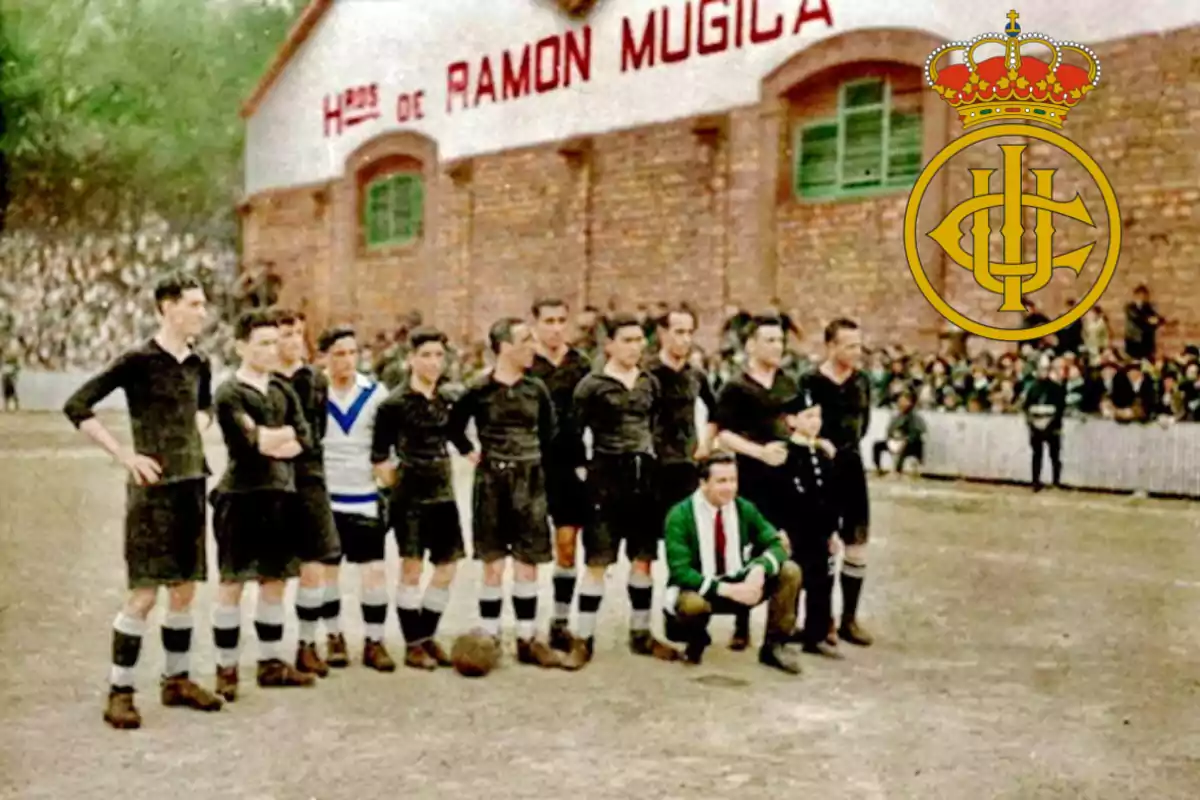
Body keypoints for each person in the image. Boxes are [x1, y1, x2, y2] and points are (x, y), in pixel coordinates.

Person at [63, 273, 224, 729]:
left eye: (203, 304)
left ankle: (176, 681)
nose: (202, 312)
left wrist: (196, 427)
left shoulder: (200, 362)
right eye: (194, 304)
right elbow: (77, 405)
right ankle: (120, 691)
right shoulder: (136, 360)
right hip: (152, 494)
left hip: (192, 484)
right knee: (143, 595)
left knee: (185, 590)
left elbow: (205, 408)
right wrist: (123, 454)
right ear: (167, 308)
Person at [447, 318, 572, 668]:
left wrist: (531, 462)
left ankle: (527, 639)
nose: (532, 346)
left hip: (529, 481)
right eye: (524, 340)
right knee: (492, 564)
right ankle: (489, 638)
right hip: (491, 483)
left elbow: (550, 433)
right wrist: (472, 452)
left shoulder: (537, 390)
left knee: (528, 563)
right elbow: (454, 427)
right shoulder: (480, 389)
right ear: (504, 347)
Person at [209, 310, 317, 701]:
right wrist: (275, 440)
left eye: (276, 342)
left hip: (280, 496)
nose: (273, 350)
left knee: (274, 582)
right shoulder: (229, 392)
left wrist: (275, 437)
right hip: (240, 497)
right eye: (263, 344)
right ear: (241, 347)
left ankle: (271, 663)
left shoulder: (283, 391)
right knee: (233, 583)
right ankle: (226, 668)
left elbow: (304, 440)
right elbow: (249, 445)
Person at [569, 313, 680, 664]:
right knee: (598, 561)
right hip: (606, 478)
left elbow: (659, 426)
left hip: (644, 478)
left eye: (639, 340)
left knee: (644, 561)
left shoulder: (650, 383)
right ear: (610, 345)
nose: (636, 347)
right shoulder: (591, 385)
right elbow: (571, 435)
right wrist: (586, 472)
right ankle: (582, 639)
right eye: (628, 340)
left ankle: (641, 633)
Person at [372, 327, 467, 670]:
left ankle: (426, 635)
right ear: (410, 359)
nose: (432, 362)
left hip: (443, 494)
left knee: (447, 568)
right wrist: (401, 485)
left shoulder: (447, 400)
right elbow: (380, 458)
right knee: (411, 569)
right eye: (425, 355)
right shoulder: (393, 405)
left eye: (438, 356)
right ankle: (413, 645)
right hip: (410, 498)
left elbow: (460, 439)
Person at [662, 453, 802, 673]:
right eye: (721, 481)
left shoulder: (744, 508)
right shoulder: (679, 515)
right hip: (702, 589)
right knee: (692, 605)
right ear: (703, 483)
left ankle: (775, 646)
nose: (729, 488)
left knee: (790, 571)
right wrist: (728, 590)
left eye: (733, 480)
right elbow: (680, 572)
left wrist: (759, 569)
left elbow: (776, 543)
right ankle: (696, 640)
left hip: (741, 582)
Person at [711, 315, 798, 650]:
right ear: (751, 345)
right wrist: (760, 453)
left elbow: (800, 422)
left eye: (780, 341)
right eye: (770, 340)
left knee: (786, 547)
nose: (777, 347)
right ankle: (741, 623)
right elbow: (724, 434)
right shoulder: (736, 386)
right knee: (746, 548)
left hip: (785, 479)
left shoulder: (789, 384)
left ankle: (782, 629)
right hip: (750, 478)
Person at [318, 326, 394, 672]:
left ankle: (374, 641)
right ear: (324, 358)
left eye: (352, 353)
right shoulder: (314, 392)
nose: (347, 360)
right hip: (326, 496)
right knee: (327, 573)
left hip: (364, 495)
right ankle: (334, 636)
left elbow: (388, 445)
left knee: (374, 572)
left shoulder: (376, 394)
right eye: (339, 354)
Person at [274, 310, 343, 677]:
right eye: (286, 333)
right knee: (272, 570)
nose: (294, 340)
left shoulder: (315, 379)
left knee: (315, 564)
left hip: (309, 476)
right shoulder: (263, 379)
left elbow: (318, 431)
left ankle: (306, 643)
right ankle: (269, 654)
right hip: (273, 477)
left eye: (299, 333)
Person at [799, 318, 874, 647]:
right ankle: (822, 620)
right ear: (830, 346)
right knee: (823, 545)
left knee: (857, 543)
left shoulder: (862, 381)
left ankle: (849, 619)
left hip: (852, 467)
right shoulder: (810, 381)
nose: (856, 352)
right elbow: (800, 425)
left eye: (859, 345)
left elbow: (865, 423)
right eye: (849, 346)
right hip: (821, 468)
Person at [527, 298, 593, 654]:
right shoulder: (527, 364)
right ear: (535, 323)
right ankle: (522, 627)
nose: (555, 327)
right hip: (532, 465)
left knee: (567, 545)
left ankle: (560, 620)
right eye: (548, 320)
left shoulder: (580, 364)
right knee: (526, 550)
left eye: (560, 320)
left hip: (569, 467)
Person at [778, 393, 843, 659]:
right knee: (792, 581)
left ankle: (815, 634)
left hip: (820, 533)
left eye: (818, 416)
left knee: (822, 583)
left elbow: (833, 497)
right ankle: (783, 631)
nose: (815, 422)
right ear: (792, 420)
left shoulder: (823, 455)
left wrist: (834, 531)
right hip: (796, 532)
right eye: (808, 416)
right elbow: (778, 496)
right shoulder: (784, 455)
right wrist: (780, 529)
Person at [647, 306, 717, 524]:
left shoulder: (695, 375)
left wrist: (705, 444)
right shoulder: (646, 372)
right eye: (679, 332)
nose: (685, 339)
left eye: (689, 333)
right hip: (653, 465)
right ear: (662, 333)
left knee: (686, 530)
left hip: (687, 464)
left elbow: (716, 413)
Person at [1022, 358, 1066, 492]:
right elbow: (1026, 407)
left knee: (1055, 455)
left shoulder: (1056, 388)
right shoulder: (1033, 388)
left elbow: (1060, 409)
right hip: (1036, 427)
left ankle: (1056, 482)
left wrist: (1050, 424)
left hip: (1052, 427)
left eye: (1045, 370)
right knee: (1037, 455)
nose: (1043, 373)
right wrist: (1032, 423)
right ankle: (1035, 482)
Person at [872, 390, 925, 475]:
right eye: (900, 401)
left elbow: (917, 432)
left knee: (905, 444)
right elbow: (889, 430)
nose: (901, 403)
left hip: (910, 443)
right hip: (895, 440)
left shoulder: (914, 416)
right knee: (877, 445)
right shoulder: (896, 416)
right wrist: (892, 437)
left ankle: (898, 470)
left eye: (904, 401)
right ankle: (878, 469)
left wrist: (906, 438)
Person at [1124, 285, 1164, 361]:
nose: (1143, 299)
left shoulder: (1148, 308)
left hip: (1147, 341)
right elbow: (1138, 319)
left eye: (1145, 296)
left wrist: (1157, 320)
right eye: (1141, 296)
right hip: (1134, 341)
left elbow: (1157, 318)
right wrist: (1149, 320)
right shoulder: (1130, 308)